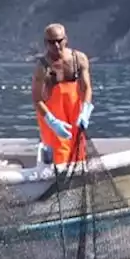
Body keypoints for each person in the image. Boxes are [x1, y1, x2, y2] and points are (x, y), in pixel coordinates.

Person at [31, 23, 93, 165]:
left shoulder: (79, 59)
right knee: (59, 153)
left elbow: (86, 88)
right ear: (45, 43)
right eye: (52, 42)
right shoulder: (42, 66)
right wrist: (51, 121)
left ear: (65, 39)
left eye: (59, 41)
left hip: (75, 113)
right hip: (52, 116)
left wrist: (86, 110)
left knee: (79, 151)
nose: (57, 46)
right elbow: (36, 99)